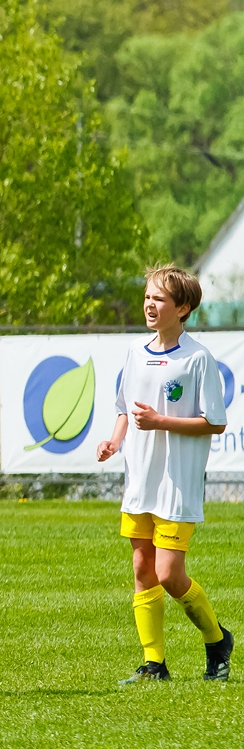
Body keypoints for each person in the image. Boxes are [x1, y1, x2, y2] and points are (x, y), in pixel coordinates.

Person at [96, 264, 232, 684]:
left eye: (159, 299)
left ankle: (217, 639)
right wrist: (115, 441)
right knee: (142, 568)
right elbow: (125, 406)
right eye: (147, 297)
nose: (150, 305)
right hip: (141, 480)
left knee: (170, 574)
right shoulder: (135, 353)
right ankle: (153, 664)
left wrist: (160, 422)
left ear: (183, 308)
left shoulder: (198, 358)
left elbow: (216, 422)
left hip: (177, 483)